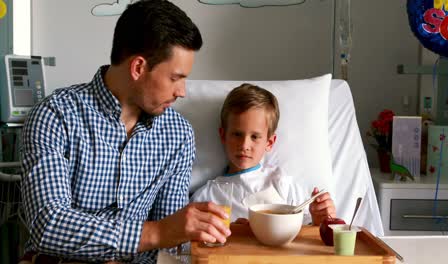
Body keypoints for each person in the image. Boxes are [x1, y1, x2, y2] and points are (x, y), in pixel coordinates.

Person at [20, 1, 230, 263]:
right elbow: (49, 225)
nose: (182, 91)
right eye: (175, 78)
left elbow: (170, 239)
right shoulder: (55, 116)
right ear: (138, 67)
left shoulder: (178, 134)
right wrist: (158, 233)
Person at [191, 83, 336, 226]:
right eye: (237, 134)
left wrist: (318, 220)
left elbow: (306, 231)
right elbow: (194, 244)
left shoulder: (281, 183)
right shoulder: (207, 196)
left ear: (269, 142)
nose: (244, 145)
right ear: (223, 136)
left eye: (255, 137)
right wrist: (238, 235)